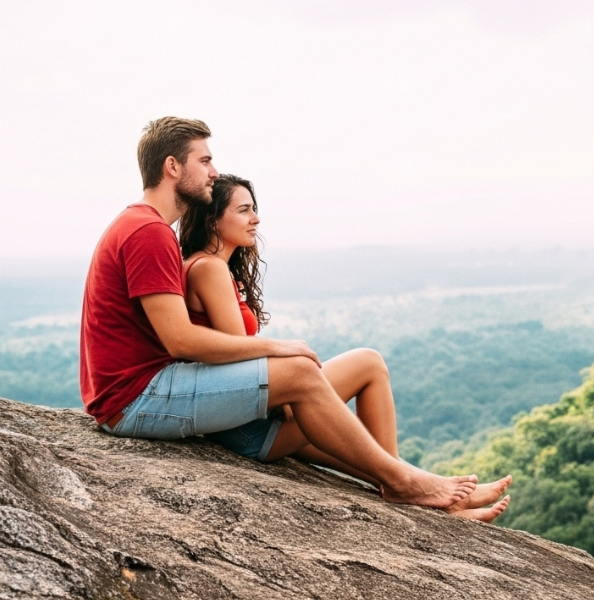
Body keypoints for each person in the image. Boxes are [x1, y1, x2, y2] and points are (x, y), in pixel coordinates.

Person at [79, 117, 508, 519]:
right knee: (302, 374)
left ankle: (410, 483)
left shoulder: (146, 228)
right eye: (204, 160)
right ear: (172, 166)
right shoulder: (148, 232)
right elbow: (181, 341)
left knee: (316, 389)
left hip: (138, 392)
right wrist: (280, 349)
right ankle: (403, 481)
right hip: (138, 398)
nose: (213, 172)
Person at [177, 173, 510, 521]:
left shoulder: (214, 268)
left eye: (253, 209)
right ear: (213, 220)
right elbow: (240, 363)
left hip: (242, 426)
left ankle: (442, 499)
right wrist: (288, 384)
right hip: (249, 429)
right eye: (244, 210)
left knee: (367, 455)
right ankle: (407, 488)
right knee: (369, 364)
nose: (255, 219)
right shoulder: (209, 269)